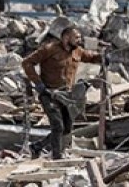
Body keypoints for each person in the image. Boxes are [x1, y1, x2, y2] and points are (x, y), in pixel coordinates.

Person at [21, 26, 104, 159]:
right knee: (57, 126)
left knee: (66, 128)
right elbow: (27, 63)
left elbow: (91, 57)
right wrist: (38, 83)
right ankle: (56, 157)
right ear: (66, 38)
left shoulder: (77, 51)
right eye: (76, 37)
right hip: (49, 93)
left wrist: (102, 57)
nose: (79, 39)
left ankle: (37, 146)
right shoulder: (49, 49)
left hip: (67, 96)